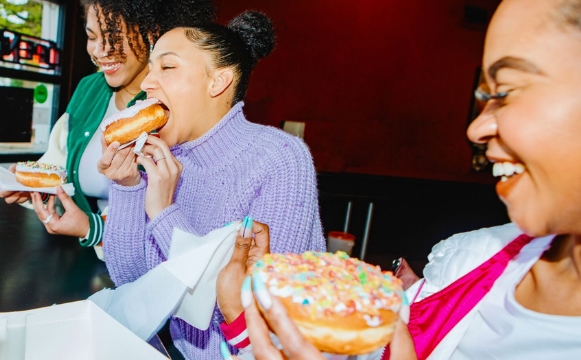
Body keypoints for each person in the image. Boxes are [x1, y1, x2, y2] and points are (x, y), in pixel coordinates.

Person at [229, 0, 581, 358]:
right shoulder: (470, 265)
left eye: (505, 91)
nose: (477, 128)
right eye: (485, 98)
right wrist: (248, 313)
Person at [98, 11, 326, 360]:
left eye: (167, 67)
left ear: (217, 82)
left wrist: (163, 212)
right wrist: (128, 185)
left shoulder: (280, 159)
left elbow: (255, 314)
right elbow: (133, 284)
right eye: (151, 67)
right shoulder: (163, 158)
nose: (146, 83)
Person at [0, 0, 216, 247]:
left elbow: (181, 223)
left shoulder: (175, 109)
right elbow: (60, 165)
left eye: (113, 36)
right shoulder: (87, 88)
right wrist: (33, 186)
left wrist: (94, 228)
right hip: (75, 258)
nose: (100, 51)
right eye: (92, 37)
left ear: (152, 32)